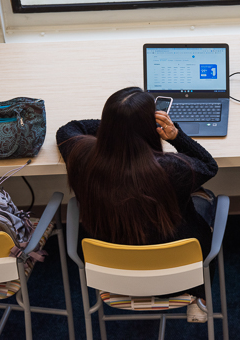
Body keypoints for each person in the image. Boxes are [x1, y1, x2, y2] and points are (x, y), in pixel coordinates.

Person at [56, 86, 218, 322]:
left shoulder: (81, 156)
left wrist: (119, 127)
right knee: (205, 198)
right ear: (149, 128)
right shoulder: (173, 169)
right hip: (179, 277)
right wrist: (176, 136)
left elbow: (68, 129)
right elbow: (208, 165)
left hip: (112, 277)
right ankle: (200, 298)